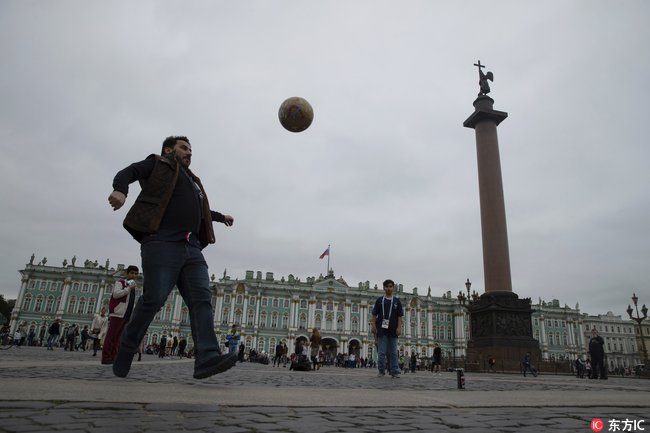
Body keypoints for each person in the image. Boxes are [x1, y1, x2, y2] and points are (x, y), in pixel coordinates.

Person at [108, 135, 237, 379]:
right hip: (162, 242)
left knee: (202, 300)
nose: (189, 152)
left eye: (191, 150)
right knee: (154, 299)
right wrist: (120, 190)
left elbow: (200, 210)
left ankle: (207, 357)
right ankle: (126, 346)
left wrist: (220, 217)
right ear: (169, 150)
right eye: (184, 148)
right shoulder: (158, 164)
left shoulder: (192, 181)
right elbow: (130, 171)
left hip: (192, 247)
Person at [102, 265, 139, 365]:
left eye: (136, 274)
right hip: (117, 313)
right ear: (127, 273)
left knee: (118, 338)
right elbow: (116, 294)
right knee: (111, 336)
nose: (133, 275)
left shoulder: (133, 285)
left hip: (126, 314)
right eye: (132, 273)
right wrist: (128, 289)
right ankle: (106, 357)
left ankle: (114, 357)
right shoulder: (120, 282)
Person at [371, 279, 404, 378]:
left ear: (393, 288)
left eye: (390, 286)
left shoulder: (397, 301)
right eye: (386, 286)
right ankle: (381, 370)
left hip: (393, 330)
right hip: (382, 329)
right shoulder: (380, 300)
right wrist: (373, 326)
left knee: (393, 352)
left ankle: (394, 370)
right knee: (381, 352)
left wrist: (399, 328)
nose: (388, 288)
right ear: (384, 288)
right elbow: (374, 314)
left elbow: (399, 317)